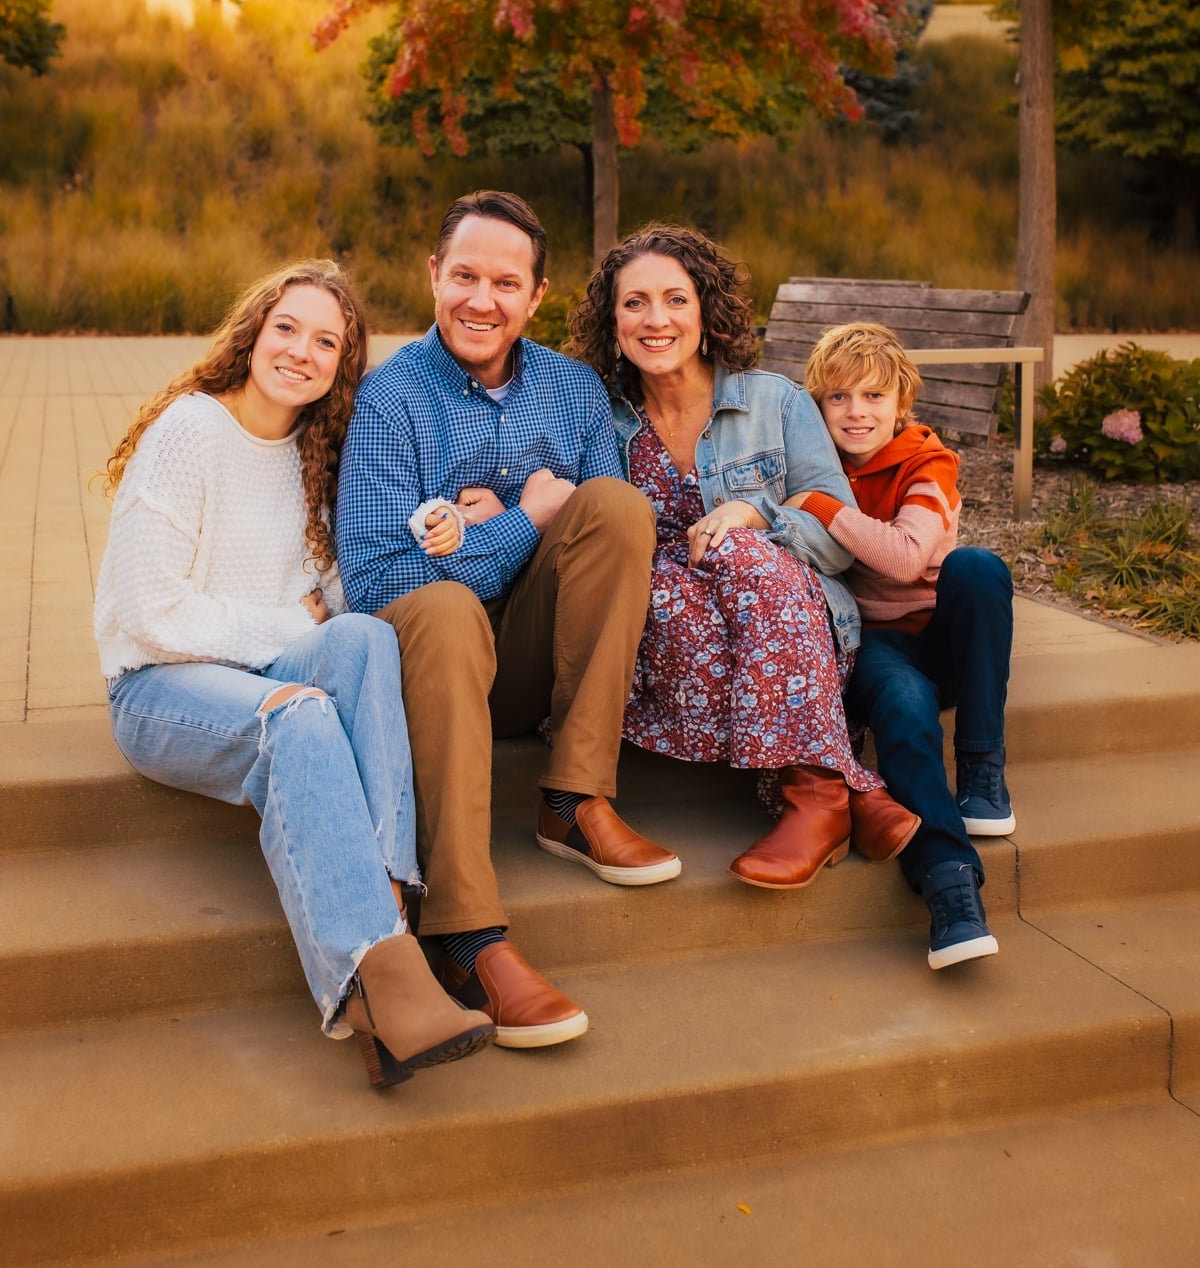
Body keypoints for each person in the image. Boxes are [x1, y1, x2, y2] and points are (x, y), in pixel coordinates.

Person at [94, 261, 494, 1089]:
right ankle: (378, 968)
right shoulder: (190, 431)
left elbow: (334, 593)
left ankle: (386, 929)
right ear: (253, 332)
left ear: (342, 364)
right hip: (161, 688)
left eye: (326, 341)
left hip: (263, 665)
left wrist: (440, 520)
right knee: (302, 714)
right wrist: (289, 627)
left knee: (360, 640)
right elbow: (148, 610)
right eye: (288, 328)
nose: (301, 352)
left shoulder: (317, 450)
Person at [336, 190, 677, 1050]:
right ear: (432, 276)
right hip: (429, 681)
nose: (480, 300)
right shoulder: (390, 400)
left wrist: (525, 523)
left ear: (537, 295)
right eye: (464, 276)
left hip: (524, 664)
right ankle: (464, 932)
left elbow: (605, 530)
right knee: (445, 605)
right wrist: (524, 518)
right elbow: (380, 579)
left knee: (615, 507)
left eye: (504, 282)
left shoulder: (573, 390)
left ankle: (573, 797)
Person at [565, 224, 920, 887]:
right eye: (634, 303)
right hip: (674, 641)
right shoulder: (599, 421)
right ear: (612, 321)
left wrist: (760, 514)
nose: (655, 319)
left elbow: (838, 543)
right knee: (666, 586)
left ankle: (816, 796)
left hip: (798, 625)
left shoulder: (775, 402)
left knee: (746, 550)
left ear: (704, 309)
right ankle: (843, 792)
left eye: (675, 299)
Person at [794, 320, 1015, 968]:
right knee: (904, 701)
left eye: (873, 397)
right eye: (839, 398)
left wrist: (823, 509)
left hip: (944, 637)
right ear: (819, 405)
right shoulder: (814, 465)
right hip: (874, 644)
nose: (856, 413)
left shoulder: (927, 463)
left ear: (900, 402)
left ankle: (981, 767)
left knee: (977, 566)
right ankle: (950, 885)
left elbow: (907, 556)